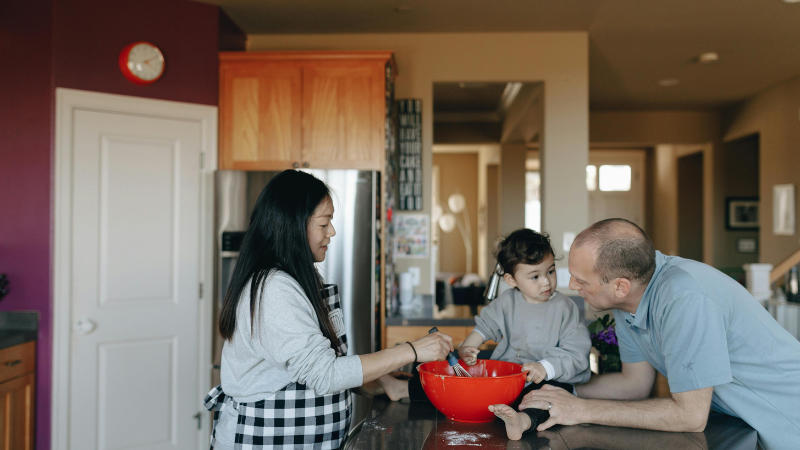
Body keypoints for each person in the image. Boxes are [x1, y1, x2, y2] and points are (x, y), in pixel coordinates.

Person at [203, 170, 453, 450]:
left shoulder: (302, 277)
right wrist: (413, 350)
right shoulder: (274, 290)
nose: (331, 232)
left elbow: (311, 363)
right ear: (294, 225)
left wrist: (379, 381)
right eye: (325, 223)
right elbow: (324, 374)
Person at [520, 218, 800, 450]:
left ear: (620, 286)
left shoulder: (684, 299)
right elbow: (635, 384)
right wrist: (560, 391)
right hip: (748, 423)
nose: (570, 284)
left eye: (581, 280)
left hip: (790, 421)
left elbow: (690, 416)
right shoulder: (629, 300)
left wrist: (581, 409)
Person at [457, 229, 591, 440]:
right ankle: (406, 389)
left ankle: (523, 421)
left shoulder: (565, 308)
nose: (546, 282)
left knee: (553, 398)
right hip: (508, 380)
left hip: (548, 380)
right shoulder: (505, 303)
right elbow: (484, 327)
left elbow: (577, 353)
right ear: (512, 280)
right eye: (535, 276)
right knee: (463, 384)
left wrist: (545, 367)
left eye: (551, 271)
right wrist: (467, 347)